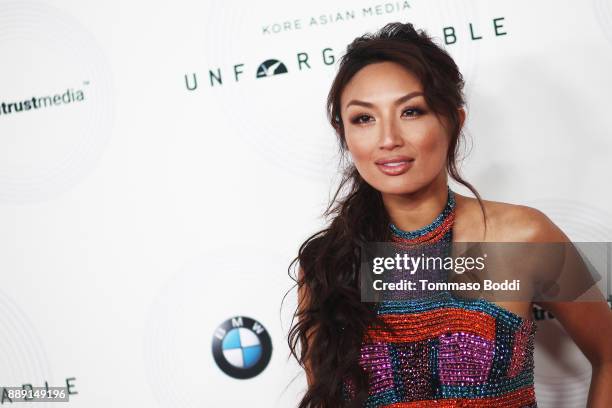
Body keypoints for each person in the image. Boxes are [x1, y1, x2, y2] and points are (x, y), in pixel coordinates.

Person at [287, 22, 612, 407]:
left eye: (411, 111)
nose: (388, 139)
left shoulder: (523, 237)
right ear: (345, 135)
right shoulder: (329, 264)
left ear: (454, 122)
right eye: (364, 118)